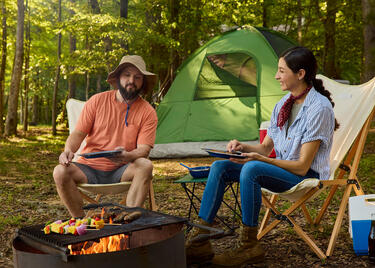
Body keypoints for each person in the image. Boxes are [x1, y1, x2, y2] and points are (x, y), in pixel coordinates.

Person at [185, 46, 339, 267]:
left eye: (281, 71)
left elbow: (302, 167)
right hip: (281, 169)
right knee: (221, 166)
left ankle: (249, 246)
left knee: (252, 169)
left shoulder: (319, 109)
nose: (276, 76)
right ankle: (199, 242)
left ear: (301, 74)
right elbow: (266, 148)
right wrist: (243, 147)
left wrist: (261, 161)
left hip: (305, 176)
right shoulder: (283, 105)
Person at [53, 55, 158, 218]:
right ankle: (81, 221)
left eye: (137, 77)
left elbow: (144, 149)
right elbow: (78, 134)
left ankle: (129, 217)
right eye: (127, 75)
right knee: (60, 171)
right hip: (88, 169)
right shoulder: (96, 101)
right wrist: (67, 150)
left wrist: (128, 156)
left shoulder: (147, 111)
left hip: (122, 169)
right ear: (118, 78)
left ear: (142, 82)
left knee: (145, 165)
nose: (132, 80)